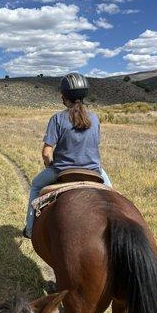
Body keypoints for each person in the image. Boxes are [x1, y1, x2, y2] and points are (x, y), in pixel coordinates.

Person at [23, 72, 112, 239]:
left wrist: (50, 165)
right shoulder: (94, 118)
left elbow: (46, 153)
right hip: (94, 170)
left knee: (35, 186)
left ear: (63, 96)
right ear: (84, 95)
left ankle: (29, 229)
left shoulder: (57, 118)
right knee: (113, 195)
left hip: (62, 171)